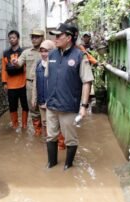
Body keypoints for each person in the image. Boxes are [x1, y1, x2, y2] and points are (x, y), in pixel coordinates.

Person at [45, 23, 94, 170]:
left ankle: (68, 165)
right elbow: (47, 77)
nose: (55, 38)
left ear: (69, 38)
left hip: (68, 106)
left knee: (70, 139)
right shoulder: (52, 55)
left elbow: (87, 82)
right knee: (50, 136)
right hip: (51, 105)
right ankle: (51, 163)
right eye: (55, 36)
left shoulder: (80, 56)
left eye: (58, 36)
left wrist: (83, 107)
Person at [13, 28, 45, 136]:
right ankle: (38, 131)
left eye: (37, 37)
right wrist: (15, 62)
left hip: (45, 83)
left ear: (42, 38)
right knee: (33, 107)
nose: (34, 39)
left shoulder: (47, 51)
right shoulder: (26, 52)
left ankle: (49, 133)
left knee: (47, 107)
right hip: (30, 84)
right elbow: (19, 64)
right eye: (33, 37)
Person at [1, 30, 29, 129]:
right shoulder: (5, 53)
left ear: (18, 38)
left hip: (22, 84)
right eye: (10, 38)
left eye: (14, 37)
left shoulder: (23, 53)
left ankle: (24, 125)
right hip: (11, 85)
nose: (12, 40)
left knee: (25, 106)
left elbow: (26, 67)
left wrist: (27, 82)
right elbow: (4, 69)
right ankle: (15, 125)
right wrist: (4, 83)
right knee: (12, 106)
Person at [31, 40, 55, 137]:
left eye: (47, 51)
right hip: (41, 100)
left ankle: (59, 145)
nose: (44, 54)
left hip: (53, 102)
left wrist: (49, 102)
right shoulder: (38, 64)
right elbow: (35, 82)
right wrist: (34, 98)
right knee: (44, 122)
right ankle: (46, 143)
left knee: (54, 124)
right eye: (42, 51)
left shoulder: (56, 65)